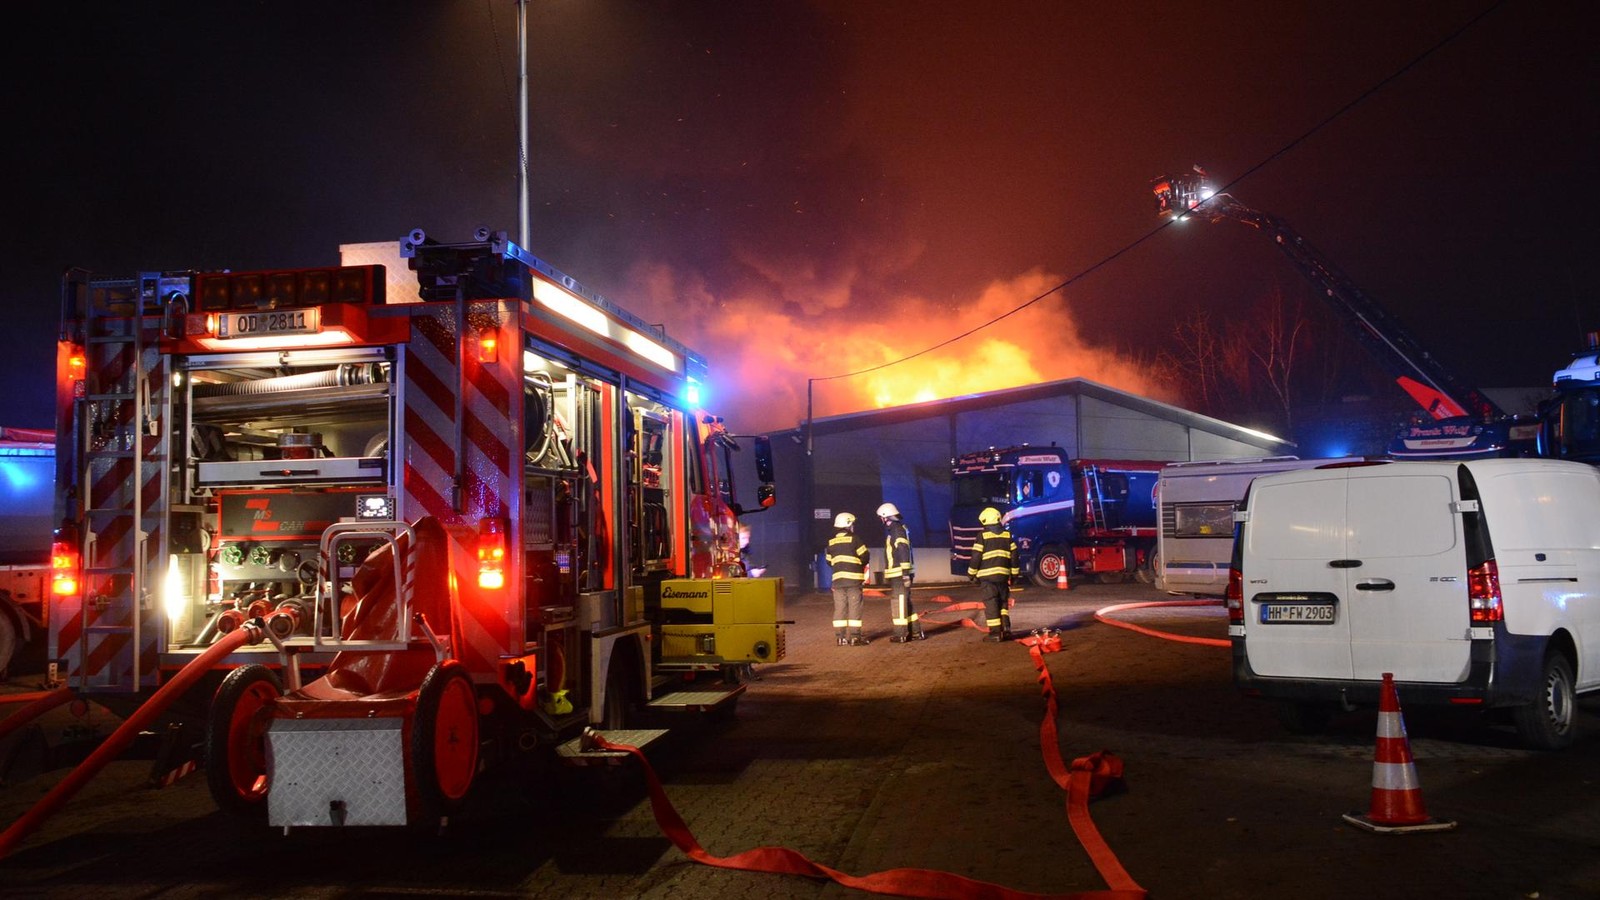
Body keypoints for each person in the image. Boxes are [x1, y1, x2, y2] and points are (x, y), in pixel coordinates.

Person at [967, 506, 1018, 641]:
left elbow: (976, 556)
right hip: (1003, 577)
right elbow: (1014, 556)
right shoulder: (1008, 535)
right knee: (1002, 603)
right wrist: (1014, 574)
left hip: (987, 579)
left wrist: (971, 573)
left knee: (991, 603)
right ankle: (1006, 629)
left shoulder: (982, 536)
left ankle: (995, 634)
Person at [878, 502, 925, 642]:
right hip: (901, 573)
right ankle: (916, 632)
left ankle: (901, 634)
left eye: (881, 517)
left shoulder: (896, 530)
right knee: (906, 603)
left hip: (899, 574)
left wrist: (904, 573)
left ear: (885, 517)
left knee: (898, 602)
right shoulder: (898, 529)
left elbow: (902, 549)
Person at [825, 512, 871, 645]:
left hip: (838, 581)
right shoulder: (855, 539)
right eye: (852, 524)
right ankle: (855, 637)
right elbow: (865, 557)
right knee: (854, 607)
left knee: (839, 608)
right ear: (848, 524)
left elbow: (829, 561)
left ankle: (840, 638)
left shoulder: (831, 542)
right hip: (854, 581)